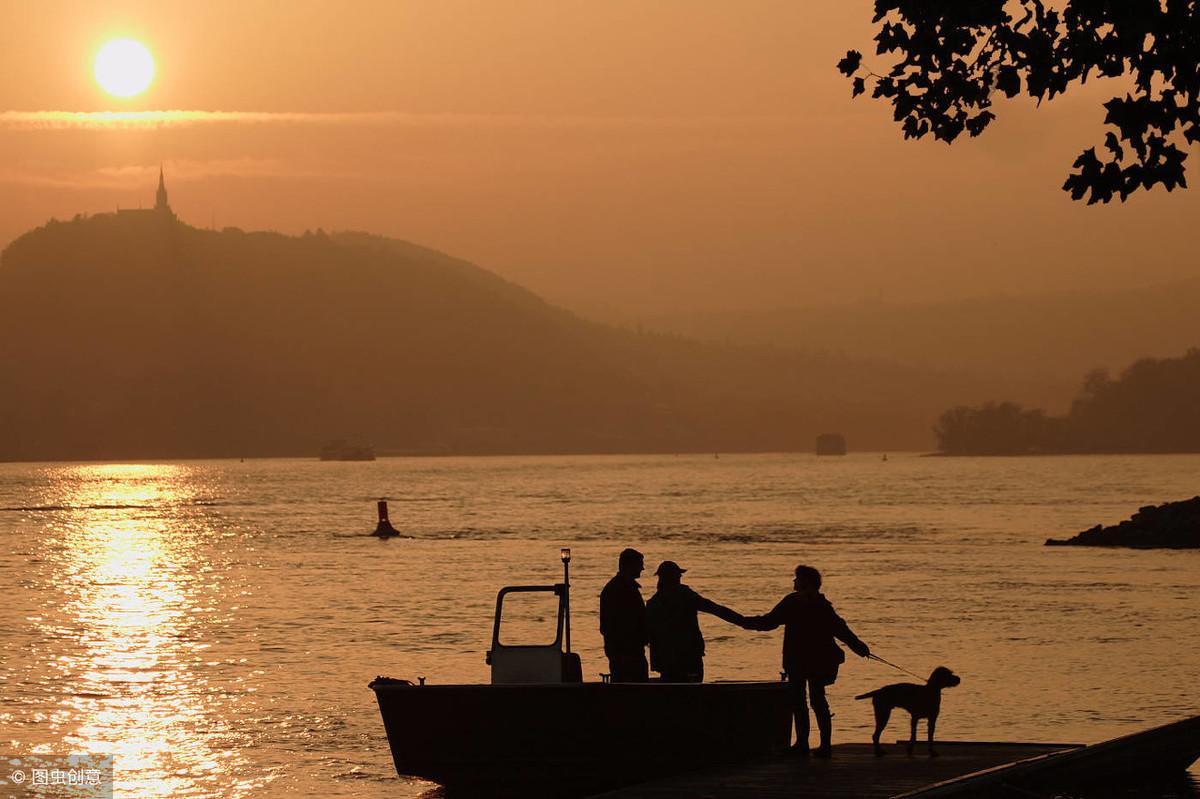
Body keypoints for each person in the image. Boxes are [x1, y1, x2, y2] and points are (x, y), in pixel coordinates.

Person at [741, 565, 870, 758]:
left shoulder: (793, 602)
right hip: (817, 660)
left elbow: (769, 622)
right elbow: (841, 629)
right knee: (817, 701)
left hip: (799, 660)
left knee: (801, 702)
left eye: (796, 579)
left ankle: (804, 744)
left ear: (804, 582)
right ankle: (822, 745)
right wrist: (859, 647)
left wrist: (743, 622)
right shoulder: (821, 604)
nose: (793, 582)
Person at [645, 561, 744, 682]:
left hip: (666, 663)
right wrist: (742, 621)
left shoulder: (653, 604)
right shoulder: (686, 596)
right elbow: (714, 608)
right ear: (674, 577)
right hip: (689, 659)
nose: (680, 577)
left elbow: (648, 635)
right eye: (678, 575)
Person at [599, 548, 649, 682]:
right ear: (629, 565)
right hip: (626, 653)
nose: (643, 568)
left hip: (628, 651)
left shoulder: (620, 587)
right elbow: (612, 625)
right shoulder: (618, 589)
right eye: (640, 564)